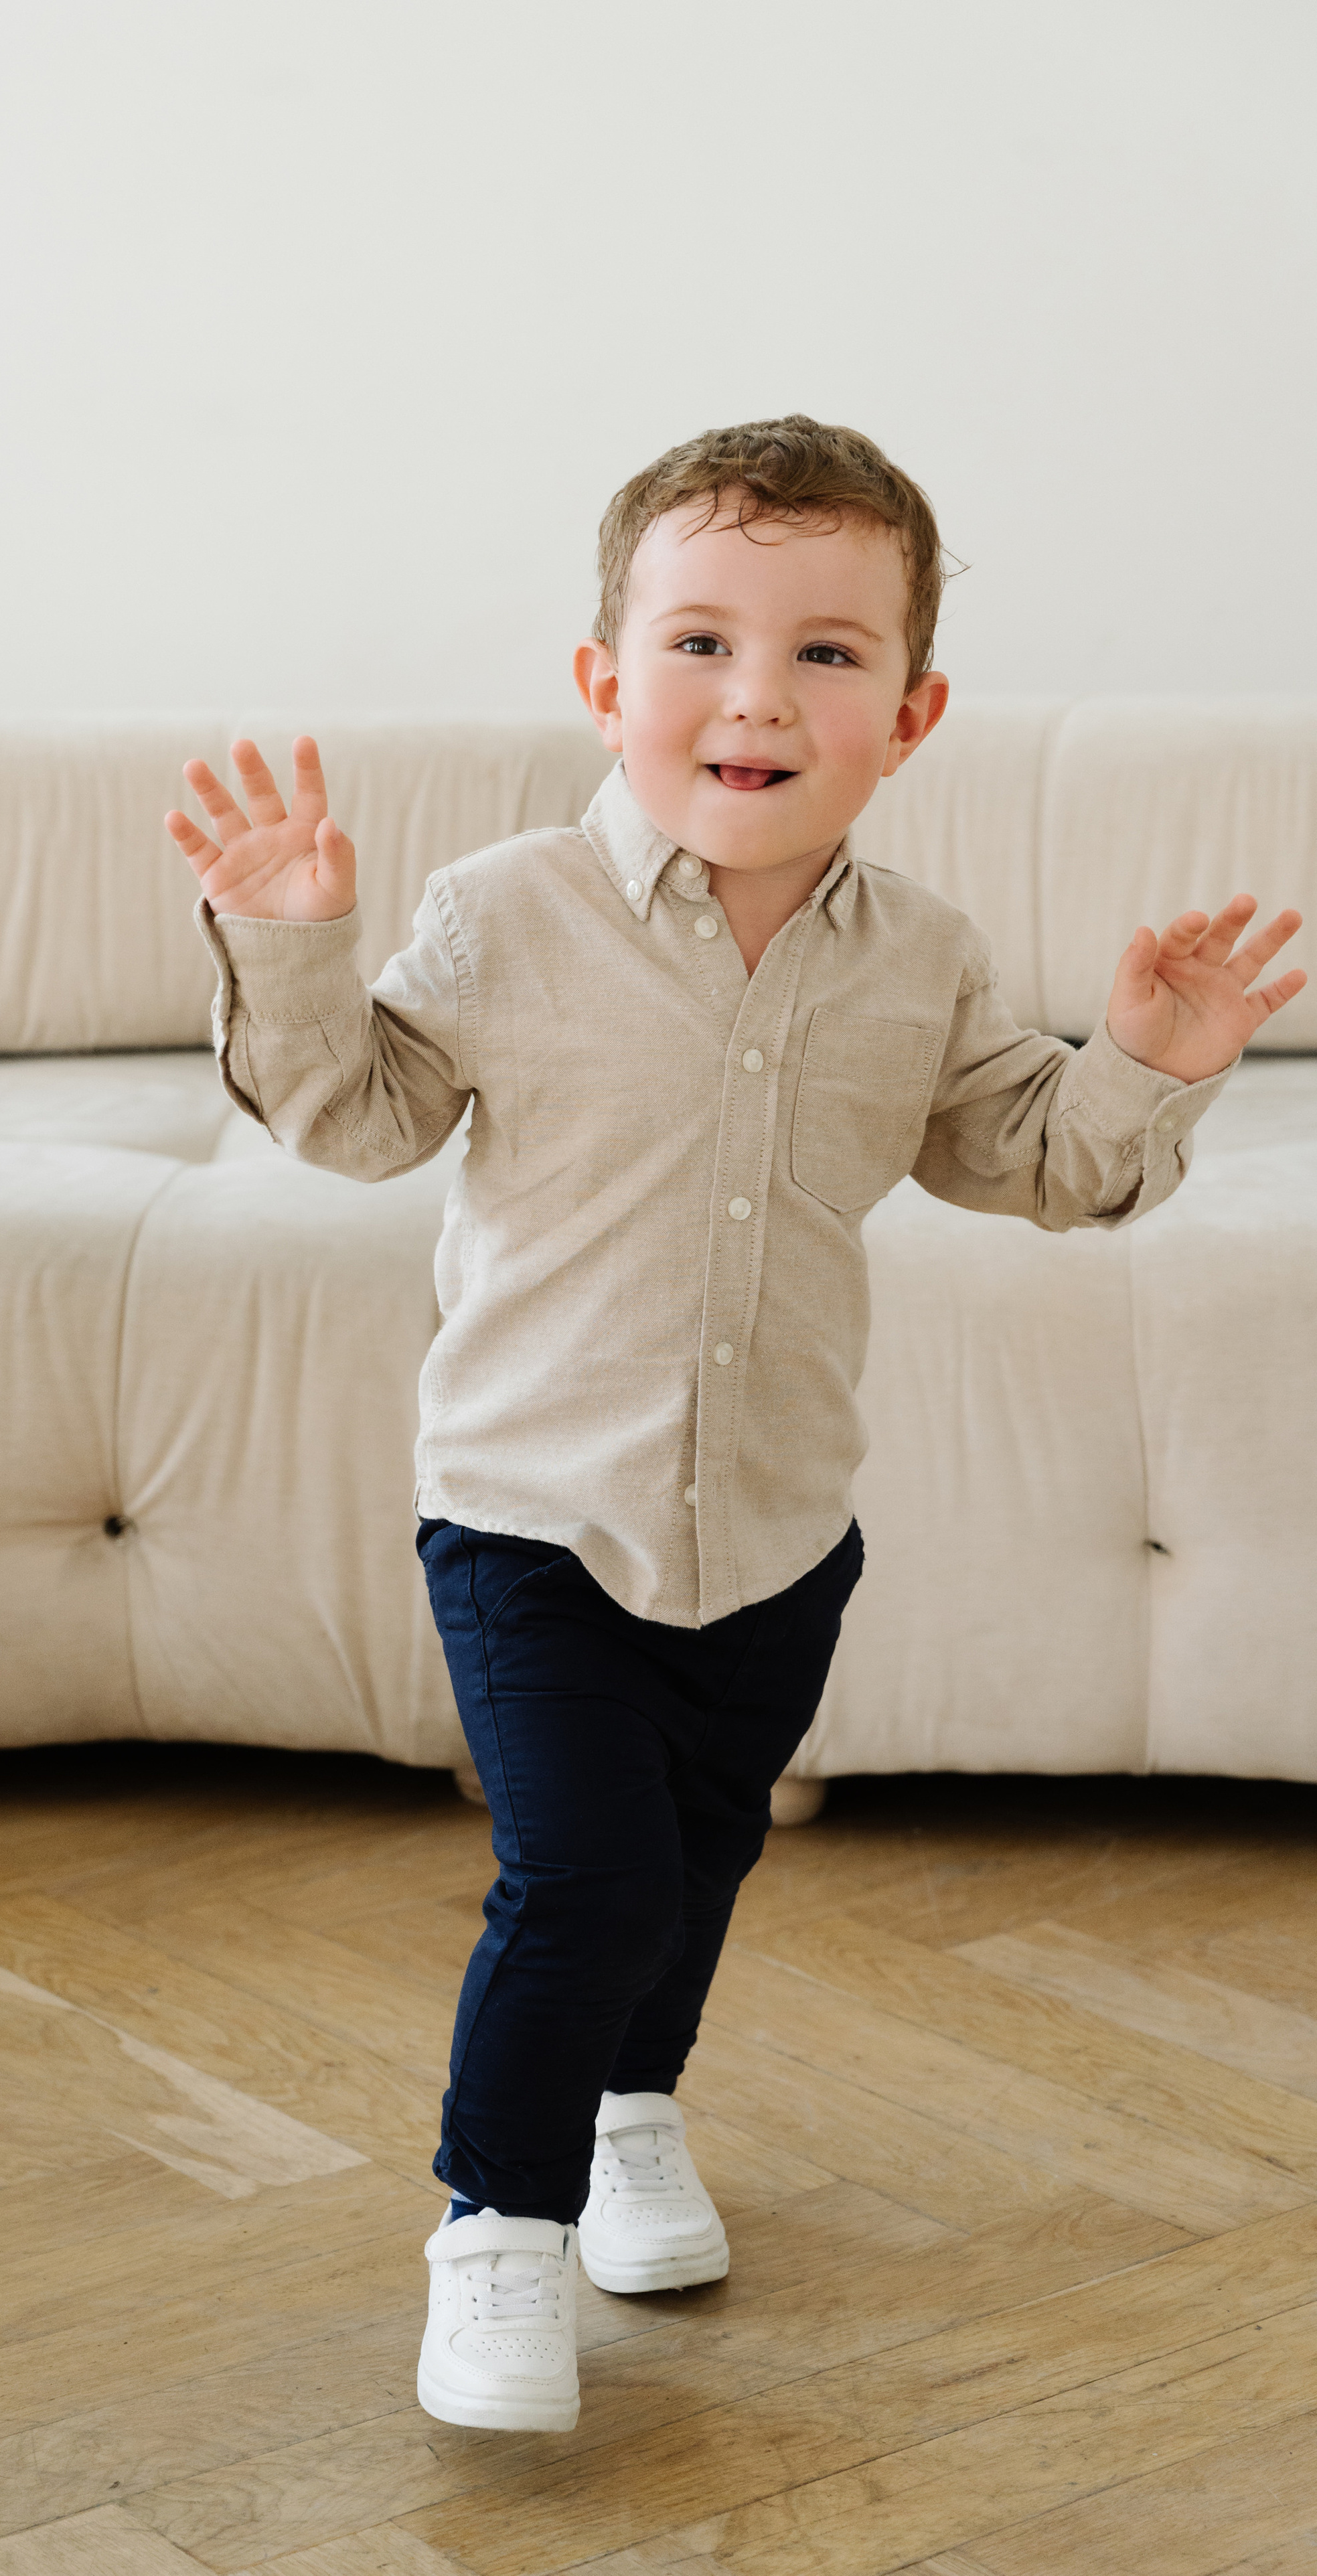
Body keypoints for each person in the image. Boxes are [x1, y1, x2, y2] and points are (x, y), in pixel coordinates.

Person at [168, 415, 1305, 2435]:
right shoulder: (511, 911)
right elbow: (360, 1119)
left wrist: (1147, 1062)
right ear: (605, 685)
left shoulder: (928, 961)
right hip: (531, 1516)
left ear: (912, 710)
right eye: (697, 641)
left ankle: (627, 2121)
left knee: (692, 1876)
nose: (756, 695)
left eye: (827, 654)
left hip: (780, 1529)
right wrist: (291, 941)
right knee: (584, 1873)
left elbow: (1030, 1162)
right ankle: (494, 2235)